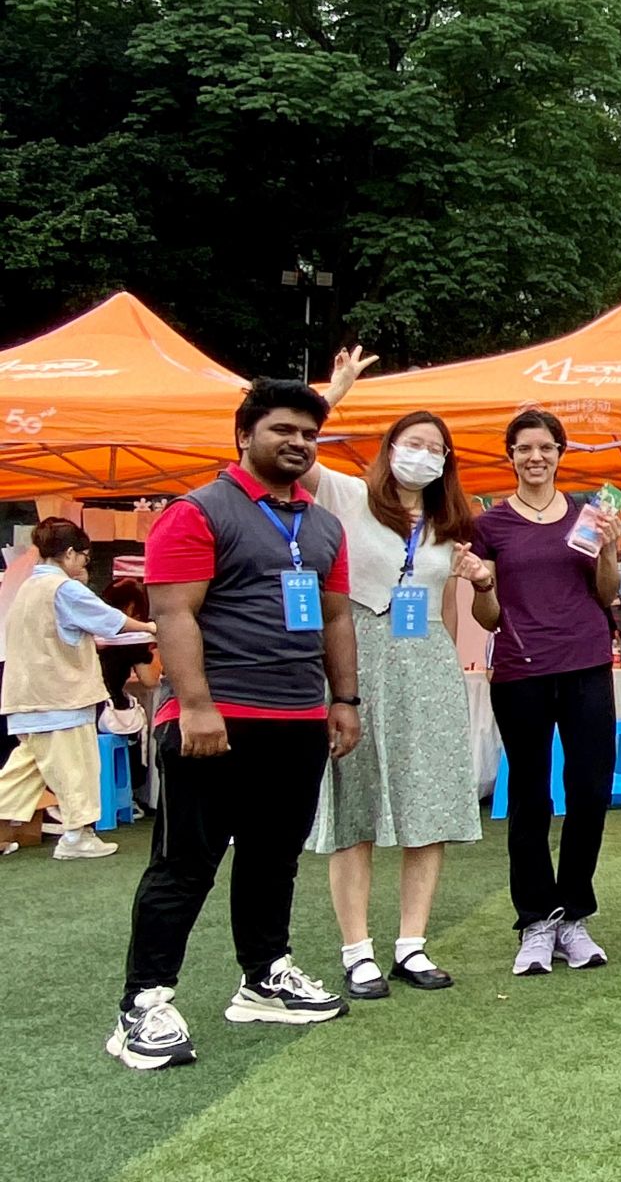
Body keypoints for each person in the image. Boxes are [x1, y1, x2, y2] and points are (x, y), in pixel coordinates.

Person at [109, 379, 360, 1071]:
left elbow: (337, 618)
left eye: (309, 434)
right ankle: (143, 1003)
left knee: (273, 856)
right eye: (283, 429)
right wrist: (195, 704)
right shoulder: (197, 512)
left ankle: (264, 977)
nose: (298, 443)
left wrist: (344, 700)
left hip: (299, 719)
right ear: (245, 435)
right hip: (215, 719)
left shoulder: (324, 526)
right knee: (185, 865)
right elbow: (174, 613)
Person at [303, 354, 488, 997]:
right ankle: (357, 950)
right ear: (389, 449)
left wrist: (457, 643)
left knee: (426, 805)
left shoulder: (448, 526)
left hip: (426, 664)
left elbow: (445, 608)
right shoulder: (349, 495)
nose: (424, 455)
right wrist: (335, 393)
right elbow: (298, 451)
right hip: (356, 655)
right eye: (413, 443)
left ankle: (412, 944)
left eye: (436, 448)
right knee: (353, 806)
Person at [470, 409, 621, 977]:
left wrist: (609, 551)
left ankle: (573, 916)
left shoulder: (591, 515)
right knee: (530, 796)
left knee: (590, 791)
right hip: (520, 671)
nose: (535, 457)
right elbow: (487, 617)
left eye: (546, 447)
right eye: (524, 448)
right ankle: (536, 919)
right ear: (510, 455)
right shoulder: (490, 525)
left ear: (561, 453)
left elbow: (606, 594)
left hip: (586, 665)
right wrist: (483, 585)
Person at [0, 519, 155, 860]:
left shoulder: (27, 587)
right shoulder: (62, 588)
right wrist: (151, 627)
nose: (86, 564)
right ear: (70, 553)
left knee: (25, 769)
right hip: (59, 696)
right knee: (76, 769)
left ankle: (72, 834)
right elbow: (110, 620)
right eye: (85, 557)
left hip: (26, 695)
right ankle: (76, 836)